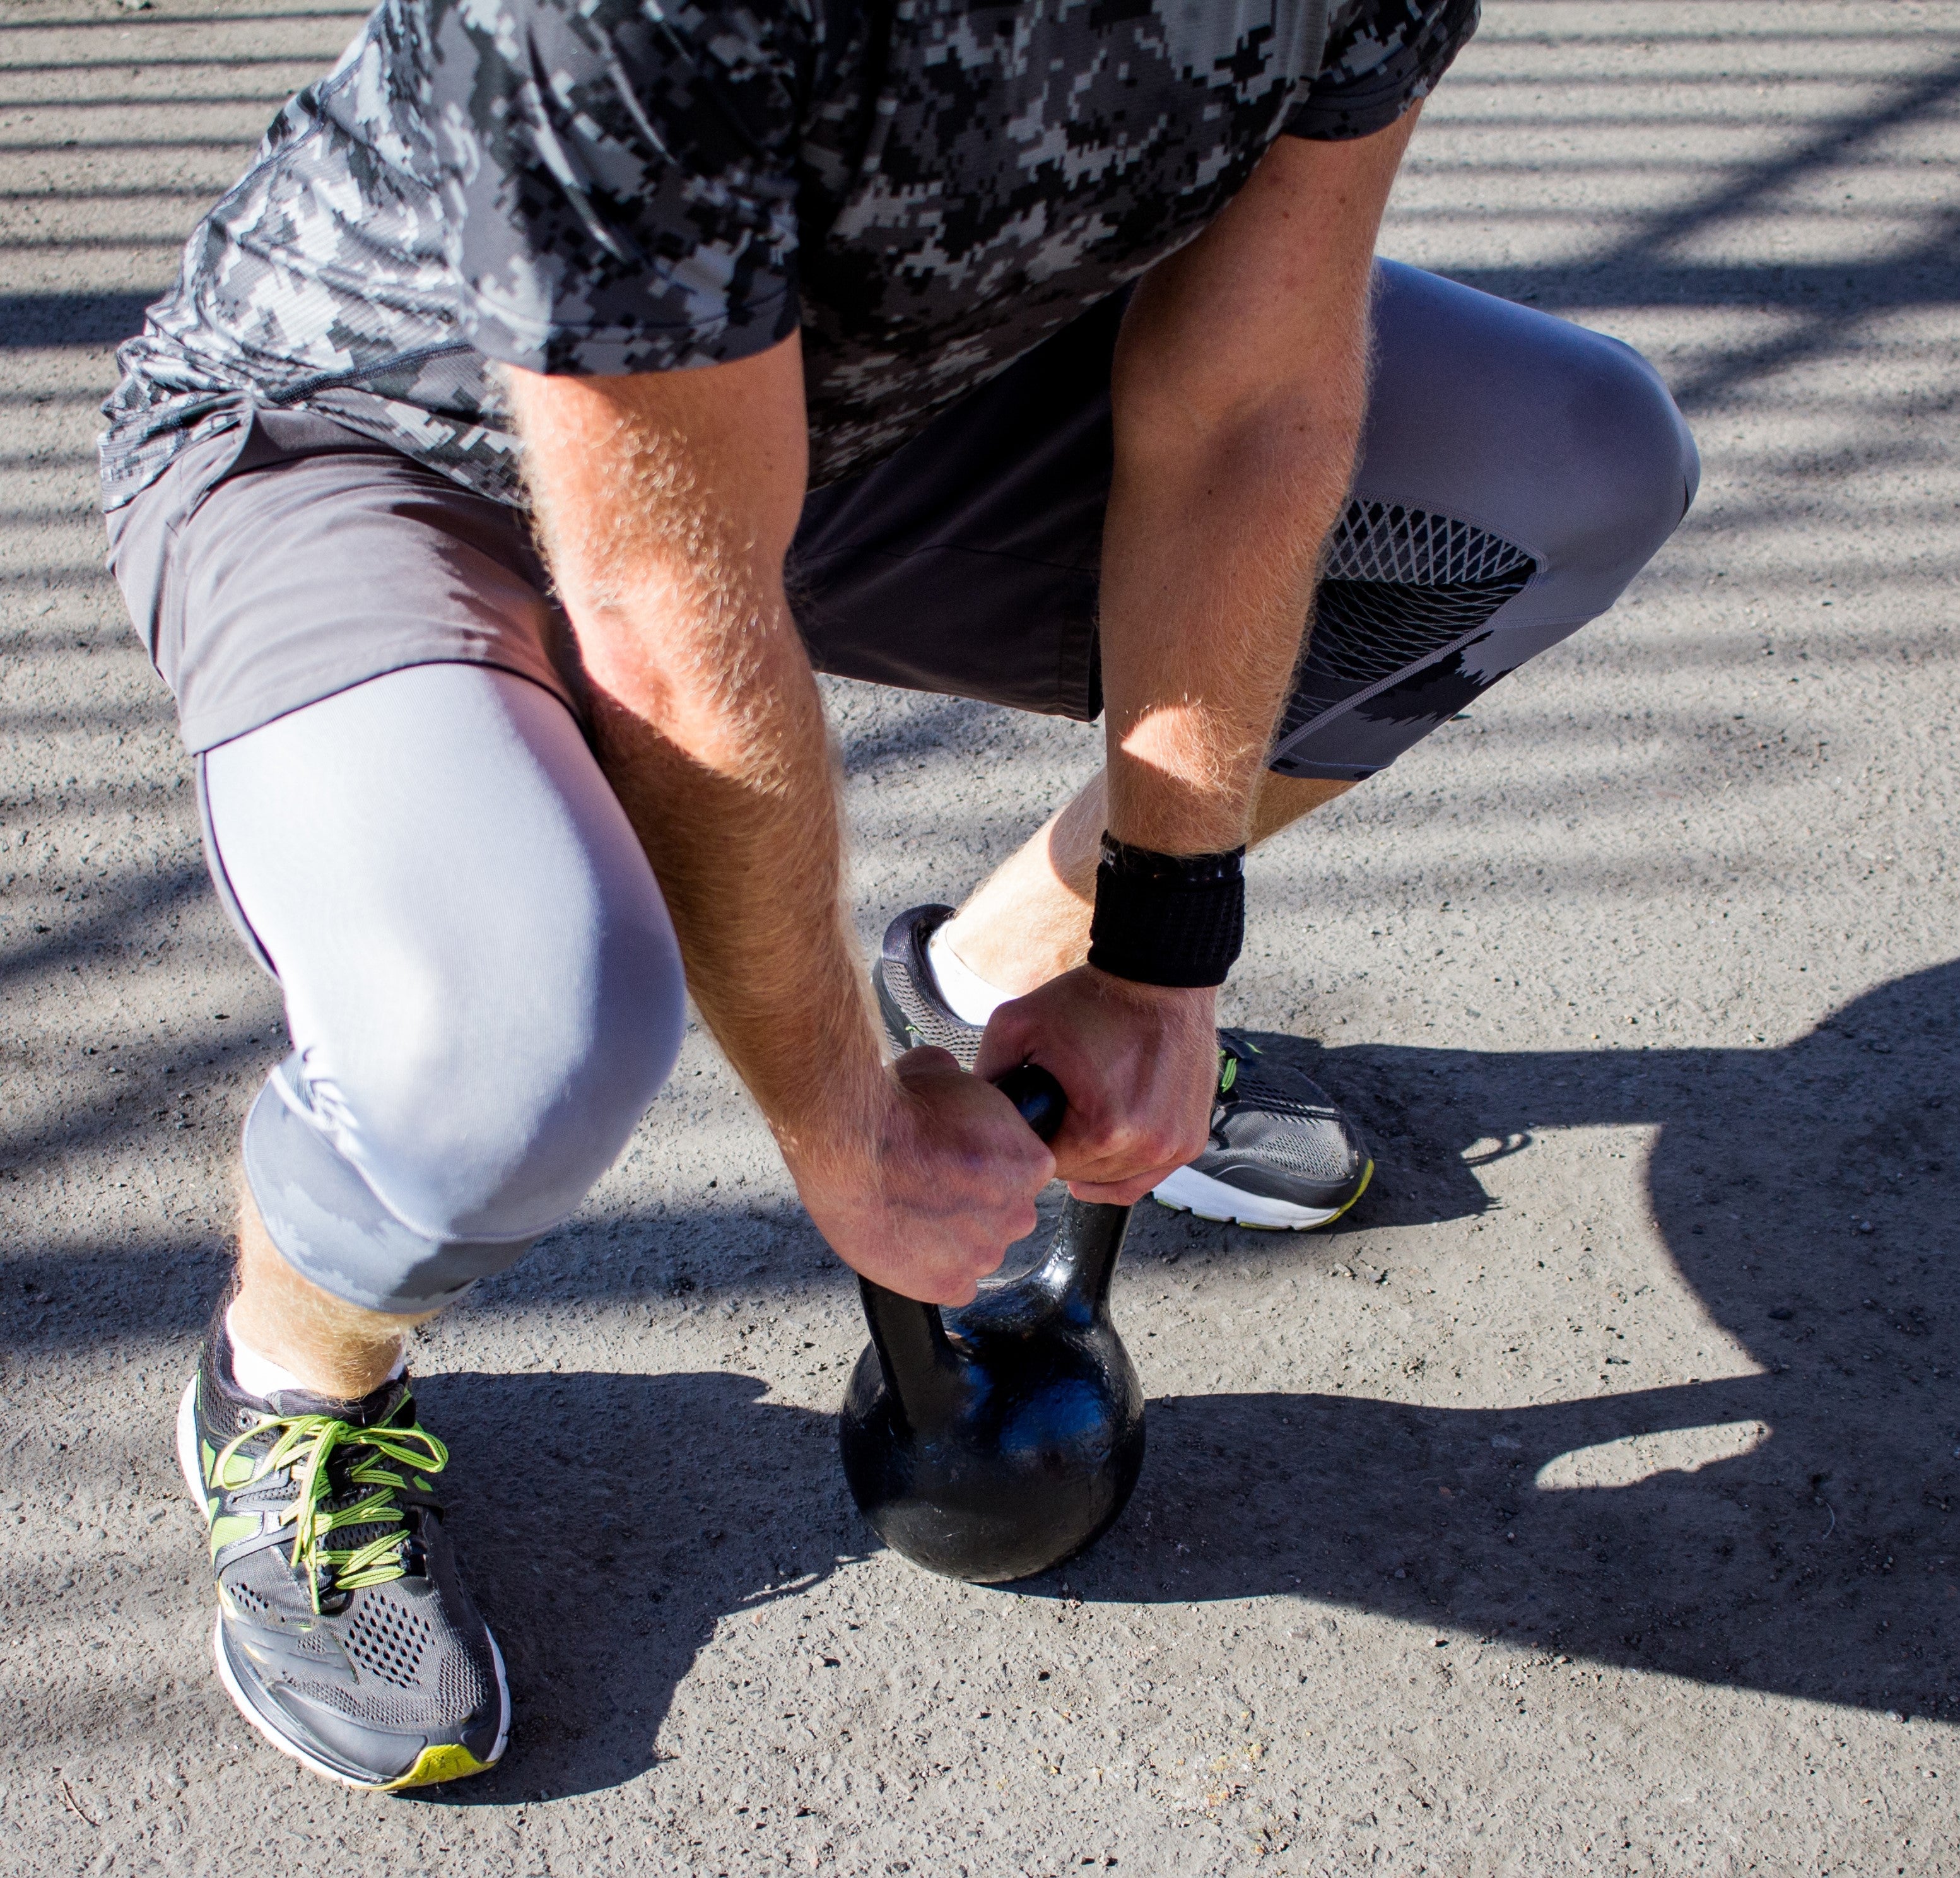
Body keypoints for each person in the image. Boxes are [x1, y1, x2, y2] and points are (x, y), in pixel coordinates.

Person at [100, 0, 1698, 1793]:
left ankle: (995, 971)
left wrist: (1156, 947)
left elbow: (1249, 402)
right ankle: (290, 1387)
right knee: (517, 1034)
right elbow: (666, 617)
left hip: (865, 427)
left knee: (1562, 465)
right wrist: (834, 1125)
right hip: (385, 453)